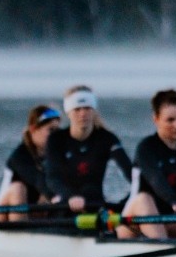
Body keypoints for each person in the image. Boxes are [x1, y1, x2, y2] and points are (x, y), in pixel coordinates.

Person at [119, 89, 176, 239]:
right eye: (170, 120)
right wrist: (174, 201)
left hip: (171, 220)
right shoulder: (146, 148)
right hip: (134, 221)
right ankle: (161, 247)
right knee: (144, 199)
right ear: (156, 119)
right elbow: (156, 178)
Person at [43, 85, 134, 215]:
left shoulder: (107, 138)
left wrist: (124, 205)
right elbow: (52, 178)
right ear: (68, 112)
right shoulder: (56, 139)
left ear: (94, 110)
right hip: (65, 204)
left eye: (87, 108)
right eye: (77, 109)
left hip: (95, 203)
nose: (83, 113)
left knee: (90, 190)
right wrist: (71, 196)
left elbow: (132, 175)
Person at [0, 104, 61, 221]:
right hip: (1, 217)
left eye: (57, 130)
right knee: (18, 188)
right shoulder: (20, 156)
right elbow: (37, 179)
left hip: (33, 213)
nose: (56, 136)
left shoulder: (54, 156)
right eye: (51, 130)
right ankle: (19, 234)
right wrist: (55, 196)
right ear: (33, 130)